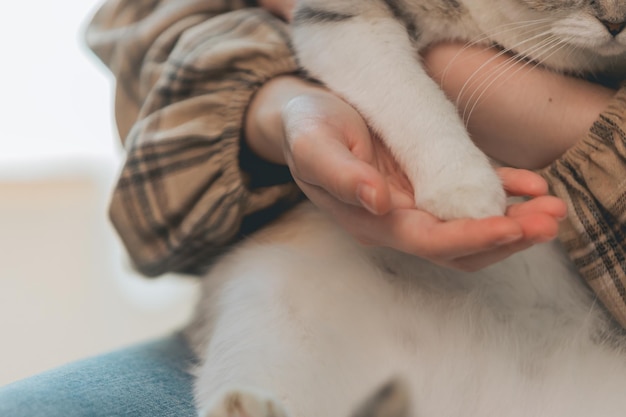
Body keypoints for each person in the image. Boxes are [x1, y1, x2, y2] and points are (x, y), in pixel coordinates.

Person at [0, 1, 624, 415]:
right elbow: (147, 21)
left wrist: (473, 83)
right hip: (355, 289)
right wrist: (274, 107)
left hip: (586, 323)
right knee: (273, 293)